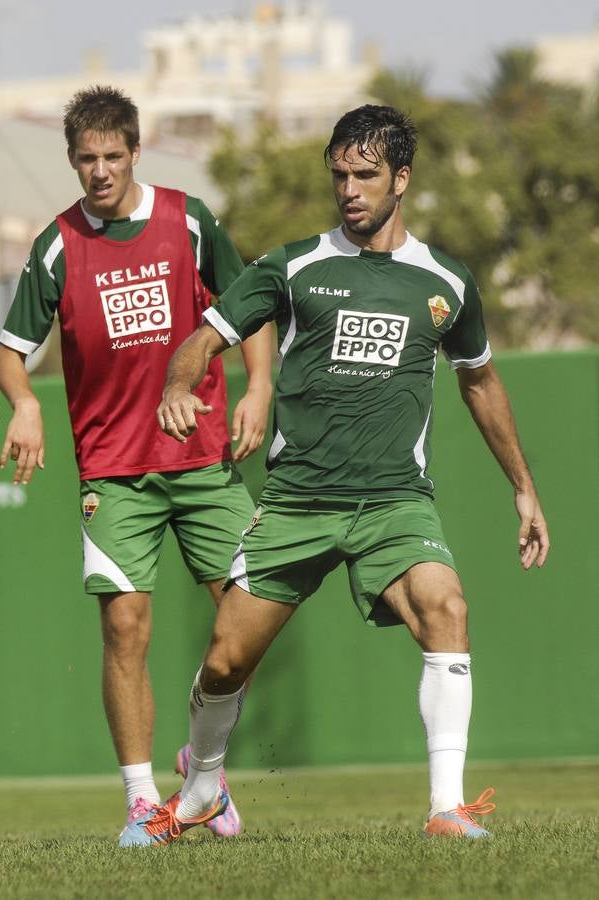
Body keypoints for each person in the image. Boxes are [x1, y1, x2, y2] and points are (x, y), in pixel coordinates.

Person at [150, 104, 549, 844]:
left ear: (401, 178)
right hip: (297, 502)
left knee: (446, 608)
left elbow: (480, 383)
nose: (349, 189)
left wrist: (521, 486)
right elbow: (202, 340)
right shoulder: (292, 266)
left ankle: (444, 807)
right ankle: (202, 787)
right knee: (224, 661)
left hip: (394, 503)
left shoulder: (445, 282)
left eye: (365, 175)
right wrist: (179, 384)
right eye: (338, 175)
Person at [0, 85, 274, 848]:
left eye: (112, 156)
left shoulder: (187, 220)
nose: (99, 171)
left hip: (203, 455)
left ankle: (203, 774)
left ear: (136, 152)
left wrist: (258, 390)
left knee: (245, 624)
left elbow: (251, 306)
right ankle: (142, 801)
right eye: (85, 158)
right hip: (113, 471)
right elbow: (9, 353)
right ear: (71, 160)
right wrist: (21, 402)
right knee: (125, 627)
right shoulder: (56, 244)